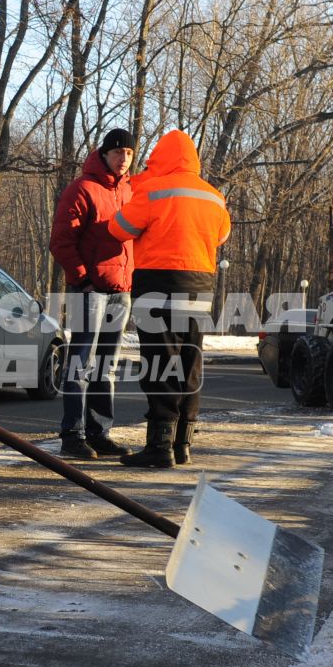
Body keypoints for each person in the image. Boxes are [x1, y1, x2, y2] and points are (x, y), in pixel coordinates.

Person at [109, 130, 231, 468]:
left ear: (160, 157)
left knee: (162, 361)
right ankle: (182, 445)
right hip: (201, 285)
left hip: (158, 283)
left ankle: (159, 447)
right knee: (190, 361)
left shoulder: (153, 190)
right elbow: (222, 235)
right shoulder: (214, 196)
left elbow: (119, 229)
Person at [49, 128, 136, 459]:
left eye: (129, 154)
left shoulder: (130, 191)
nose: (123, 159)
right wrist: (83, 280)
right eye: (118, 153)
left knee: (106, 365)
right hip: (90, 290)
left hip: (120, 291)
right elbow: (61, 241)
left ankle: (99, 433)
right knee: (81, 363)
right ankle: (73, 435)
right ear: (104, 154)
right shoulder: (82, 189)